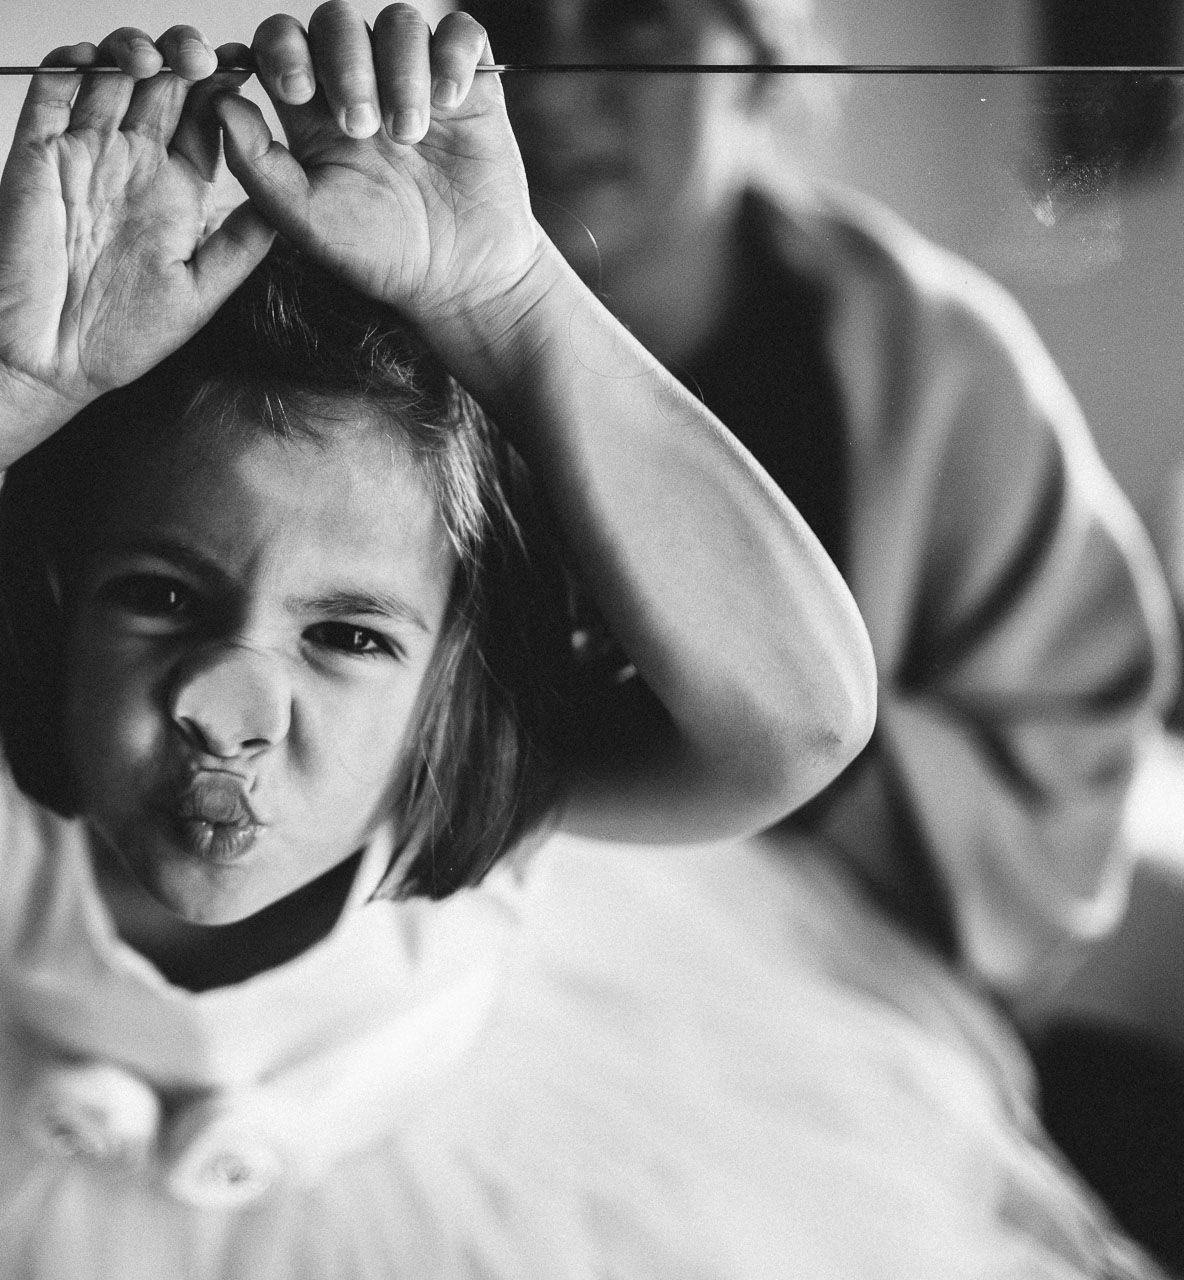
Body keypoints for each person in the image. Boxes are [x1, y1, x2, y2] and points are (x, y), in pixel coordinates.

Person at [0, 7, 1159, 1275]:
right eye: (163, 594)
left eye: (347, 635)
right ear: (48, 603)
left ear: (452, 685)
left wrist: (515, 298)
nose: (226, 709)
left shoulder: (459, 776)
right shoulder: (2, 760)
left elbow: (806, 723)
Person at [464, 0, 1180, 995]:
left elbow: (1067, 773)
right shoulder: (375, 334)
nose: (551, 84)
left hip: (833, 972)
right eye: (510, 24)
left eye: (635, 25)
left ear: (761, 59)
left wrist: (784, 749)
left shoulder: (938, 358)